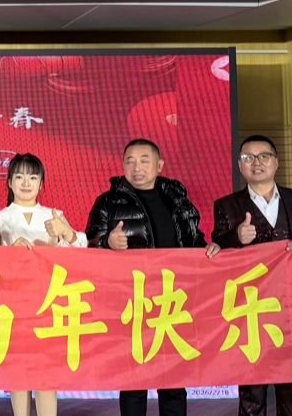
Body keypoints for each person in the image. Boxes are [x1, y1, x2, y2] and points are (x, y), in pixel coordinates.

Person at [85, 138, 217, 416]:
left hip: (173, 301)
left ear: (159, 165)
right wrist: (107, 242)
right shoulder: (107, 202)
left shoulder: (178, 201)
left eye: (144, 160)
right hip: (131, 304)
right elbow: (89, 244)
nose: (137, 167)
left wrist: (209, 249)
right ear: (123, 166)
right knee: (134, 382)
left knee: (174, 382)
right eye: (130, 161)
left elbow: (194, 241)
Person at [211, 135, 292, 416]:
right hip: (248, 309)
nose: (257, 163)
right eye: (248, 158)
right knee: (252, 386)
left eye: (263, 156)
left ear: (275, 162)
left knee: (291, 385)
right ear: (240, 166)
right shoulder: (227, 205)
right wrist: (235, 237)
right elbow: (216, 248)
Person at [0, 153, 86, 416]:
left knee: (46, 374)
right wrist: (8, 252)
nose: (26, 183)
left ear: (41, 183)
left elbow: (80, 251)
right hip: (14, 305)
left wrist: (66, 233)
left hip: (49, 302)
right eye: (19, 176)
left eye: (32, 177)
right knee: (18, 373)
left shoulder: (54, 215)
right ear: (10, 182)